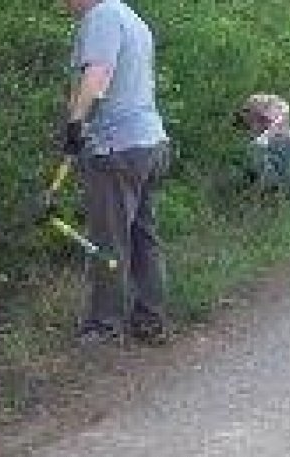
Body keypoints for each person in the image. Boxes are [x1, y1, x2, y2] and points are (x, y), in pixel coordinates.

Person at [63, 0, 171, 345]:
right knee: (143, 237)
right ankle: (150, 320)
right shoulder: (132, 18)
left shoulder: (102, 16)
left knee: (109, 240)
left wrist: (75, 124)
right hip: (150, 142)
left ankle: (104, 327)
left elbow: (98, 72)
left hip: (117, 146)